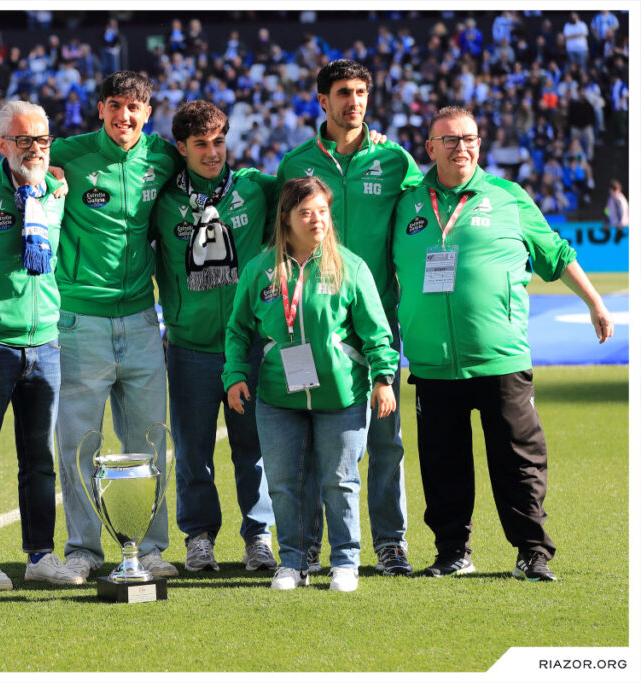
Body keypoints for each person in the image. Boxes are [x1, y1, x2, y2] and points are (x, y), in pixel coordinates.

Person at [391, 106, 614, 581]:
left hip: (500, 358)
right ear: (430, 149)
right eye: (449, 140)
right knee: (442, 465)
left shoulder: (508, 197)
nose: (461, 148)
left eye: (469, 138)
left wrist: (595, 301)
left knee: (518, 462)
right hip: (432, 363)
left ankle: (532, 552)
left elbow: (555, 253)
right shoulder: (407, 202)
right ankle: (453, 552)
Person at [276, 59, 422, 576]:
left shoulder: (396, 159)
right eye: (343, 92)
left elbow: (425, 215)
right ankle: (308, 548)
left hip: (377, 322)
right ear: (323, 101)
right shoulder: (295, 162)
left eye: (361, 91)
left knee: (385, 438)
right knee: (314, 440)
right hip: (311, 324)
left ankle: (389, 542)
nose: (353, 101)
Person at [223, 177, 398, 593]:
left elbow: (377, 332)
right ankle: (294, 561)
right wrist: (233, 375)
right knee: (284, 482)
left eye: (322, 211)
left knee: (339, 481)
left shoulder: (350, 266)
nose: (316, 219)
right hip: (278, 396)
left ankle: (345, 561)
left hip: (342, 396)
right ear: (286, 219)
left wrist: (384, 378)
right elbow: (237, 330)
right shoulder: (259, 269)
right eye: (305, 212)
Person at [48, 70, 180, 580]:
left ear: (148, 113)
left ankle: (148, 548)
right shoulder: (70, 153)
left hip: (143, 318)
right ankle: (83, 548)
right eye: (115, 106)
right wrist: (42, 170)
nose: (124, 116)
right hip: (80, 319)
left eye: (135, 108)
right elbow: (19, 161)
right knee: (80, 442)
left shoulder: (164, 158)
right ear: (101, 108)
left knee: (150, 439)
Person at [0, 100, 83, 590]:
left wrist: (44, 194)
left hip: (45, 346)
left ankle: (40, 556)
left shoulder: (56, 191)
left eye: (42, 140)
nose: (35, 149)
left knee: (39, 461)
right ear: (2, 143)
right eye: (25, 139)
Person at [150, 99, 276, 573]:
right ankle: (198, 537)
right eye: (200, 144)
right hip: (189, 348)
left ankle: (258, 537)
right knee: (192, 451)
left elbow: (308, 184)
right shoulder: (163, 200)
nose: (212, 152)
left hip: (247, 348)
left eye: (219, 141)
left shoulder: (255, 188)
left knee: (255, 448)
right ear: (180, 147)